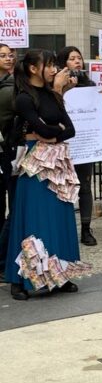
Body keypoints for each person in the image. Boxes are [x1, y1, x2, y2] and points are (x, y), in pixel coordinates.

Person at [4, 50, 79, 300]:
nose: (53, 69)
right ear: (34, 69)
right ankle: (20, 279)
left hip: (57, 161)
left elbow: (70, 129)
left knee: (60, 216)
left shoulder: (53, 96)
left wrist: (51, 135)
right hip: (35, 163)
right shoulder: (24, 98)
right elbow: (42, 127)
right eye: (49, 65)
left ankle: (60, 274)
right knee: (32, 219)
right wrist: (49, 132)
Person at [55, 46, 99, 246]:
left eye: (79, 58)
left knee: (85, 187)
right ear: (64, 63)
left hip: (85, 144)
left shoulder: (90, 85)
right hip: (64, 143)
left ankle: (86, 229)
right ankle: (64, 229)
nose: (77, 62)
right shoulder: (55, 85)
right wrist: (64, 90)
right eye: (72, 59)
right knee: (62, 187)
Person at [0, 44, 16, 276]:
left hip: (8, 152)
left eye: (11, 55)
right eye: (2, 55)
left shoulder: (14, 86)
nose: (8, 58)